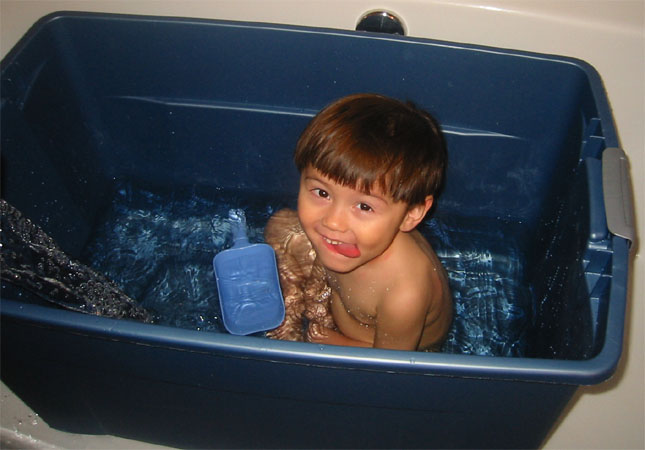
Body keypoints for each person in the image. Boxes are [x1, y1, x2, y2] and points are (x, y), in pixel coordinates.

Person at [264, 93, 452, 351]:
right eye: (322, 193)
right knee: (281, 225)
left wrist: (337, 341)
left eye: (364, 206)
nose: (333, 222)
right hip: (341, 303)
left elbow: (389, 364)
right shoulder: (353, 236)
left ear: (411, 214)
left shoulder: (404, 294)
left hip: (374, 343)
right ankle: (294, 303)